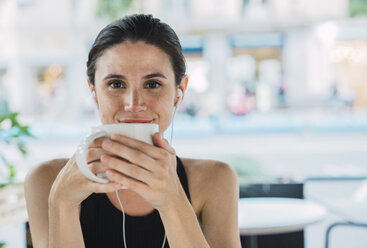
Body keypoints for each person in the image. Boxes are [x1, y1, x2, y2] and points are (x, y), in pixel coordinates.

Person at [24, 14, 240, 248]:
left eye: (153, 84)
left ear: (179, 92)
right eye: (116, 84)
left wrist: (172, 200)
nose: (133, 104)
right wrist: (62, 202)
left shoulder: (215, 179)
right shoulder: (46, 180)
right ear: (94, 92)